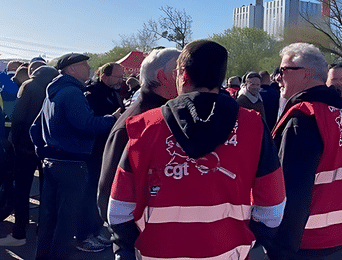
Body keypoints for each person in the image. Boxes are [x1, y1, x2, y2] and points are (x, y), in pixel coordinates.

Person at [108, 40, 286, 260]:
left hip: (157, 253)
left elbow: (118, 210)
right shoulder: (253, 126)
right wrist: (248, 241)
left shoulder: (145, 125)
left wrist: (134, 246)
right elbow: (273, 207)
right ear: (221, 77)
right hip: (229, 253)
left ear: (183, 75)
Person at [267, 43, 342, 259]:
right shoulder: (339, 112)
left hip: (306, 240)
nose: (277, 77)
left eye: (283, 70)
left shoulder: (304, 118)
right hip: (339, 233)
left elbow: (292, 191)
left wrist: (279, 248)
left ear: (305, 74)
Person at [30, 53, 119, 259]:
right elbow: (87, 125)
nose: (89, 68)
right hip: (72, 163)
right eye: (84, 64)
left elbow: (35, 129)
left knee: (49, 219)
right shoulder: (72, 93)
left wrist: (44, 152)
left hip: (53, 162)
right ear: (71, 69)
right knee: (66, 221)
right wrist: (112, 118)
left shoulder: (54, 92)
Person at [98, 48, 180, 257]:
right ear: (163, 76)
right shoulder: (136, 122)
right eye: (181, 70)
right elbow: (108, 192)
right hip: (140, 243)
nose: (187, 76)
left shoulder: (167, 115)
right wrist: (127, 242)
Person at [0, 65, 58, 247]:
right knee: (46, 189)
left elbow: (17, 115)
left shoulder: (29, 86)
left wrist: (13, 140)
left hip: (25, 144)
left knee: (22, 188)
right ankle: (44, 228)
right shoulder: (57, 87)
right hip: (49, 144)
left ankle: (19, 232)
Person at [77, 62, 126, 251]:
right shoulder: (92, 94)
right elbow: (90, 123)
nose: (121, 81)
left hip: (107, 150)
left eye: (122, 77)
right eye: (117, 77)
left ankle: (95, 230)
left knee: (100, 194)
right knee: (89, 195)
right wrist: (112, 119)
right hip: (94, 152)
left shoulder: (113, 92)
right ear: (104, 76)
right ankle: (83, 235)